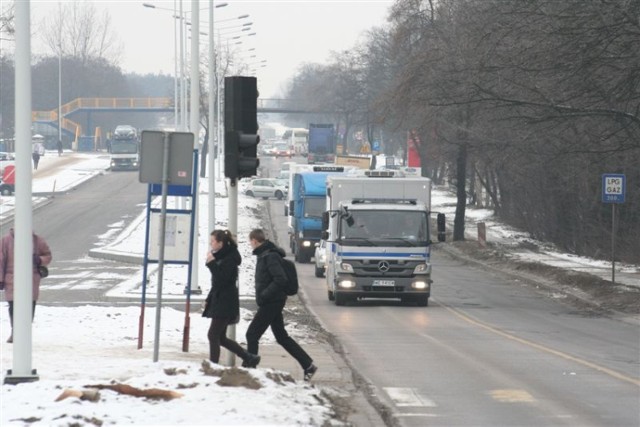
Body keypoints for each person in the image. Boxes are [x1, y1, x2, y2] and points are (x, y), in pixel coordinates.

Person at [245, 228, 318, 381]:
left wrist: (265, 294)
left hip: (271, 302)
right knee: (281, 337)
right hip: (273, 301)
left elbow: (281, 279)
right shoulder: (266, 255)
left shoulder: (269, 256)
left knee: (252, 334)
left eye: (250, 242)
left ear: (254, 241)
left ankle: (250, 370)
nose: (250, 245)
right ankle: (308, 365)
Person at [202, 229, 260, 367]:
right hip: (220, 300)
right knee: (220, 338)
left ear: (221, 243)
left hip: (226, 302)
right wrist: (208, 298)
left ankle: (213, 366)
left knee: (213, 335)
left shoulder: (230, 258)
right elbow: (216, 283)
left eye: (213, 242)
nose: (211, 245)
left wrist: (211, 264)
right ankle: (249, 357)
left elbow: (222, 279)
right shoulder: (222, 256)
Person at [0, 228, 52, 343]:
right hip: (12, 278)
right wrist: (1, 279)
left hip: (31, 278)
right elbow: (1, 260)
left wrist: (39, 260)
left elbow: (48, 255)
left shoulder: (37, 240)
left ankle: (25, 331)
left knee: (30, 305)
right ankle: (15, 331)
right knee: (13, 306)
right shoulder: (5, 241)